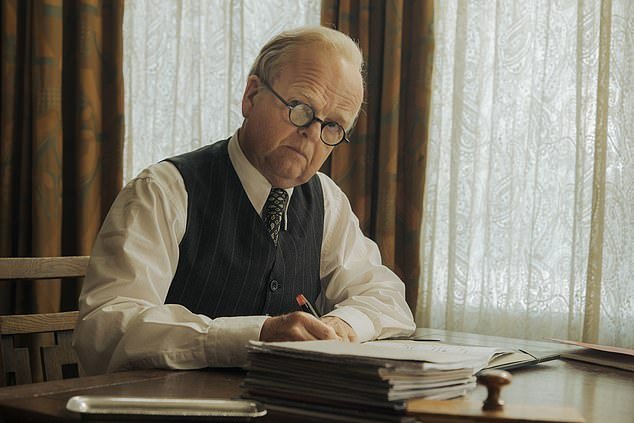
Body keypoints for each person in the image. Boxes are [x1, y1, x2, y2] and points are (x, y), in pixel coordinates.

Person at [74, 26, 415, 375]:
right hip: (169, 401)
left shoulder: (327, 200)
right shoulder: (164, 190)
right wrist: (254, 336)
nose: (312, 134)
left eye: (332, 126)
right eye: (300, 108)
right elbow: (105, 330)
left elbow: (386, 298)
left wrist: (344, 325)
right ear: (251, 96)